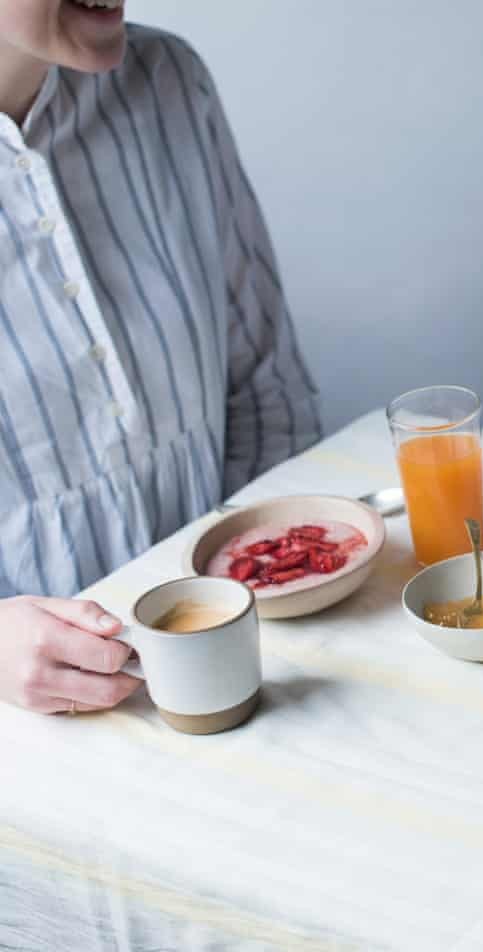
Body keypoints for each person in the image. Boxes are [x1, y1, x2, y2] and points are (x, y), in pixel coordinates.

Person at [0, 1, 320, 714]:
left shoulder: (168, 81)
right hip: (30, 728)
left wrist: (280, 579)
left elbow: (265, 383)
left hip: (256, 654)